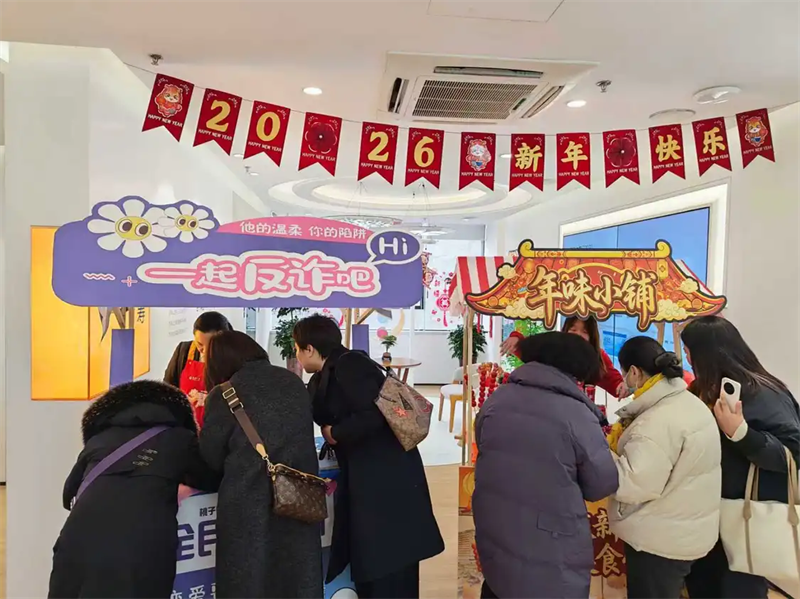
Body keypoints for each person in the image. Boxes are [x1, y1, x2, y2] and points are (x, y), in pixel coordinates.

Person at [293, 314, 444, 599]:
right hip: (369, 474)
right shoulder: (326, 374)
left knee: (390, 560)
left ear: (309, 349)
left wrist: (336, 432)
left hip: (387, 476)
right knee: (375, 559)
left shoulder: (350, 364)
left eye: (297, 349)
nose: (297, 357)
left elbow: (376, 413)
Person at [474, 331, 619, 599]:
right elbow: (601, 484)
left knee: (501, 584)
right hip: (550, 545)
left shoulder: (498, 398)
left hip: (497, 528)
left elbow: (482, 444)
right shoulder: (576, 414)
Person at [49, 380, 217, 599]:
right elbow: (210, 479)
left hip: (76, 544)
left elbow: (68, 493)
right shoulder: (179, 439)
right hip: (139, 550)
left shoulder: (99, 439)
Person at [680, 316, 800, 599]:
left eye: (689, 351)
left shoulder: (761, 393)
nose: (687, 358)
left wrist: (740, 433)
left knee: (736, 586)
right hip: (710, 513)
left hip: (742, 513)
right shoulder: (706, 388)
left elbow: (793, 453)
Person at [199, 331, 323, 599]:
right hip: (298, 500)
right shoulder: (293, 382)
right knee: (297, 576)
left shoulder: (224, 394)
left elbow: (210, 457)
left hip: (247, 506)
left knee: (248, 581)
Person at [608, 336, 721, 599]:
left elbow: (633, 485)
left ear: (634, 372)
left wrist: (605, 454)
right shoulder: (687, 401)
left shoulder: (655, 422)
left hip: (659, 541)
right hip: (688, 530)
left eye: (624, 373)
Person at [502, 315, 626, 401]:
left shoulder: (597, 356)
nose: (578, 335)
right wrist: (516, 339)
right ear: (565, 331)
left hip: (579, 413)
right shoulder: (554, 349)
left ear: (592, 337)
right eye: (573, 329)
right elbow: (531, 348)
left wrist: (623, 385)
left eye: (584, 331)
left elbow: (616, 384)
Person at [163, 311, 232, 428]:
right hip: (186, 428)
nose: (204, 350)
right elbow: (168, 388)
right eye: (199, 344)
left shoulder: (233, 358)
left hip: (219, 429)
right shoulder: (184, 351)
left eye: (211, 346)